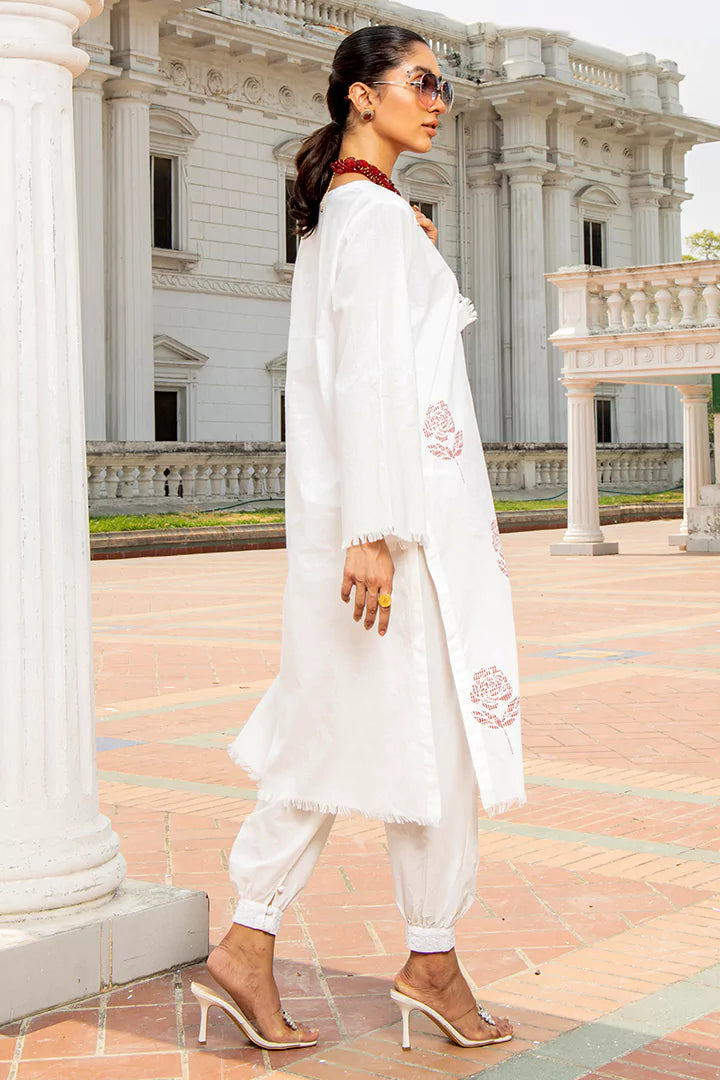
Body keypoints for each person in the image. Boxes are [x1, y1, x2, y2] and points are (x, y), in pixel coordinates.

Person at [190, 23, 525, 1054]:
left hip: (391, 522)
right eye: (421, 82)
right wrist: (374, 531)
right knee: (399, 734)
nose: (439, 101)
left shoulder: (358, 214)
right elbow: (368, 382)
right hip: (399, 534)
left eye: (445, 86)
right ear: (361, 96)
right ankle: (410, 956)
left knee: (350, 728)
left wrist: (418, 248)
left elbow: (381, 360)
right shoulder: (368, 219)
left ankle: (285, 946)